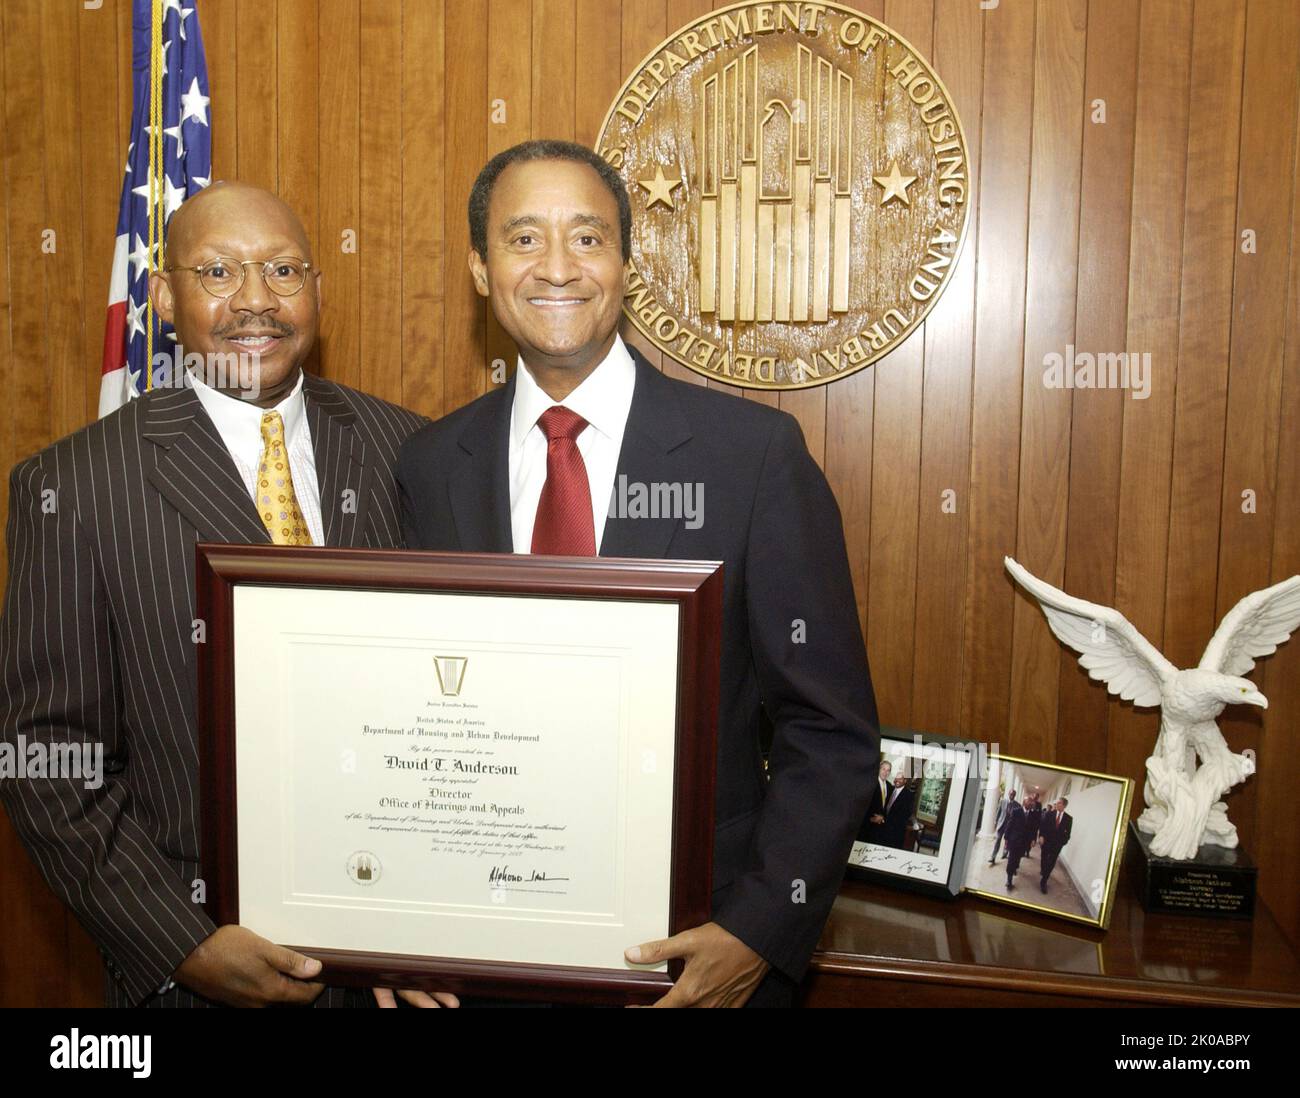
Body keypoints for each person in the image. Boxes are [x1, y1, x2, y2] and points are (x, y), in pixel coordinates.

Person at [396, 140, 880, 1007]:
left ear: (628, 264)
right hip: (481, 960)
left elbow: (830, 731)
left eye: (587, 238)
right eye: (522, 239)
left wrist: (759, 934)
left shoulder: (753, 457)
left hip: (694, 962)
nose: (557, 267)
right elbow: (409, 718)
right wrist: (396, 923)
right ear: (479, 269)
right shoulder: (432, 466)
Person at [0, 182, 449, 1009]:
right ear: (165, 298)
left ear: (319, 288)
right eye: (217, 272)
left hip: (404, 964)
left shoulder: (411, 450)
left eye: (283, 270)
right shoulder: (73, 486)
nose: (256, 301)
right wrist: (182, 943)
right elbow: (48, 757)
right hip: (201, 970)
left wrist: (434, 918)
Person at [1038, 797, 1073, 893]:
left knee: (1051, 862)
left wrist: (1062, 843)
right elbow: (1043, 826)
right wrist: (1041, 836)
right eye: (1057, 803)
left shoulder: (1069, 818)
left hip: (1057, 845)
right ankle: (1043, 870)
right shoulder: (1049, 814)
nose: (1057, 804)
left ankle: (1044, 881)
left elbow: (1068, 834)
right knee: (1044, 859)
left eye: (1059, 803)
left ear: (1064, 805)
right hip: (1046, 842)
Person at [858, 760, 893, 844]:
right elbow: (861, 804)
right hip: (866, 825)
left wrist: (883, 817)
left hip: (880, 828)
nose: (885, 772)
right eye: (883, 769)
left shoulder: (890, 786)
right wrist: (871, 818)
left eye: (888, 770)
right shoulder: (870, 783)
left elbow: (888, 807)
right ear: (878, 769)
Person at [879, 774, 915, 850]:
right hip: (882, 830)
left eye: (900, 779)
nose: (897, 780)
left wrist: (883, 819)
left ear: (905, 781)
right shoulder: (889, 789)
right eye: (896, 778)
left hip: (895, 833)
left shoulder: (909, 796)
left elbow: (904, 815)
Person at [1001, 795, 1030, 890]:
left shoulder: (1032, 814)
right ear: (1024, 802)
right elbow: (1010, 823)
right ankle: (1009, 879)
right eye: (1028, 801)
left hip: (1024, 842)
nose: (1030, 803)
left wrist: (1032, 839)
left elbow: (1033, 828)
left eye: (1031, 802)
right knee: (1011, 859)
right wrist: (1006, 837)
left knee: (1018, 859)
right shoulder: (1016, 811)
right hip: (1014, 840)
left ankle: (1014, 868)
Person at [988, 788, 1017, 864]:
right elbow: (998, 812)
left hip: (1010, 827)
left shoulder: (1016, 805)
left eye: (1013, 794)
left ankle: (1005, 853)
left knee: (1007, 842)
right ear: (1008, 794)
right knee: (998, 840)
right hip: (1002, 825)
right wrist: (995, 822)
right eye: (1011, 794)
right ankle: (993, 857)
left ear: (1015, 795)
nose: (1012, 795)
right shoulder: (1003, 801)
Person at [1023, 793, 1043, 862]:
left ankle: (1028, 851)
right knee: (1025, 838)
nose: (1035, 798)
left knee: (1031, 840)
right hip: (1027, 824)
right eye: (1034, 797)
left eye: (1036, 797)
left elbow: (1039, 815)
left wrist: (1038, 826)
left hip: (1034, 826)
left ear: (1037, 798)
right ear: (1033, 796)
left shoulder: (1039, 805)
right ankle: (1023, 850)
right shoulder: (1030, 801)